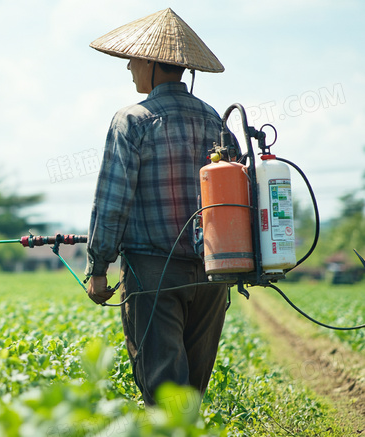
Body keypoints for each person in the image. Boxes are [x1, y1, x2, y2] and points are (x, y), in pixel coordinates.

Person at [84, 8, 229, 406]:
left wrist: (98, 269)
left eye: (133, 59)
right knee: (191, 395)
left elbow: (112, 204)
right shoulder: (215, 120)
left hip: (153, 272)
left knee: (164, 393)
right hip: (212, 277)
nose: (129, 67)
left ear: (149, 61)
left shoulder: (131, 121)